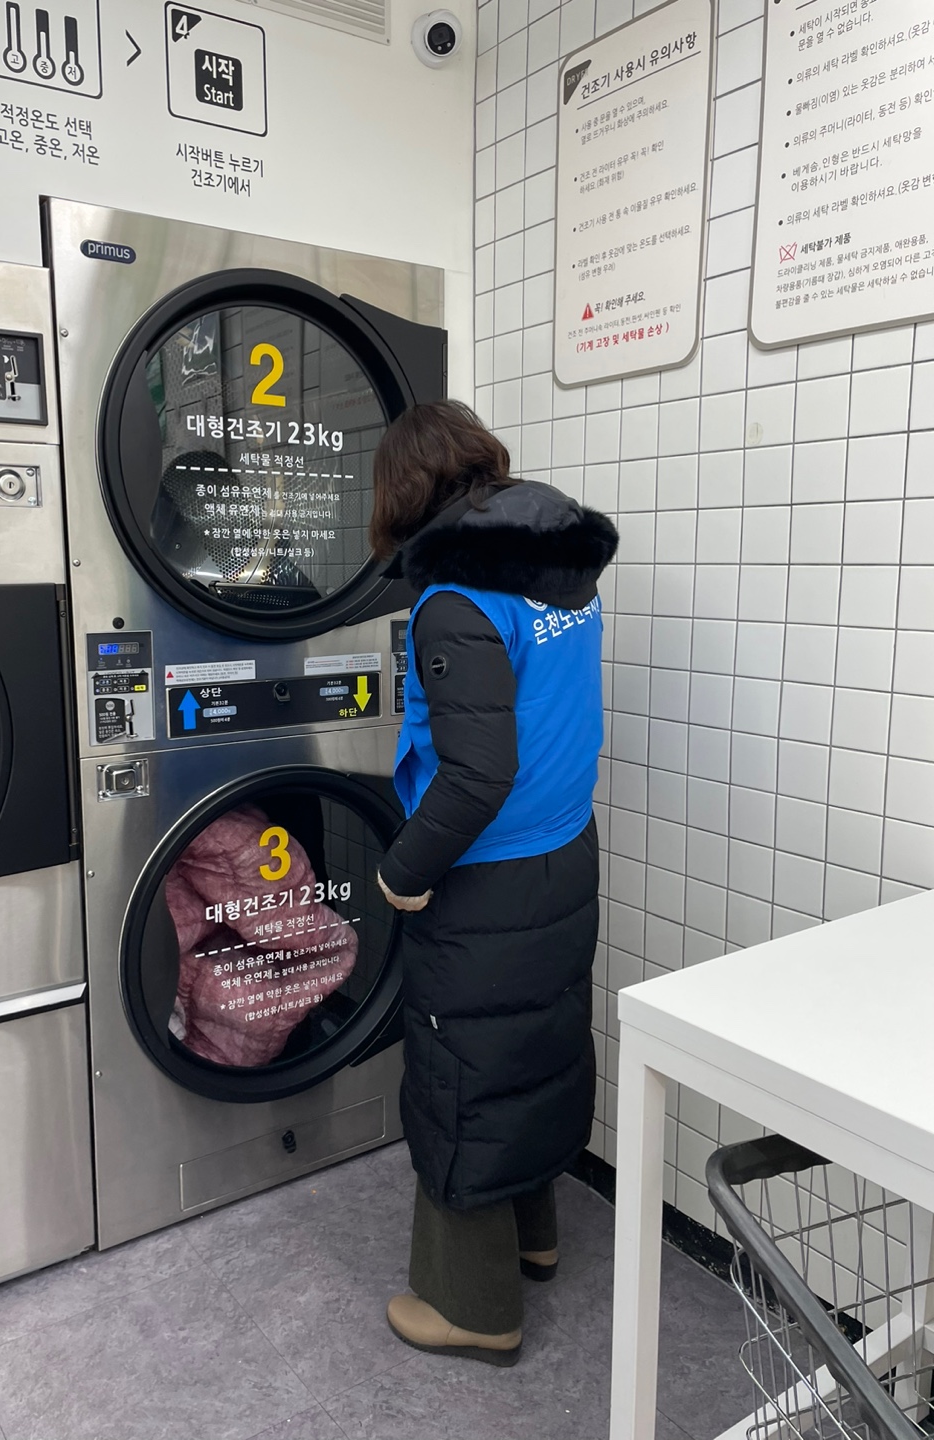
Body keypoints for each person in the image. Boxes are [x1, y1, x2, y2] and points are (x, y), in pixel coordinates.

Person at [371, 399, 619, 1367]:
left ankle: (471, 1306)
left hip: (484, 875)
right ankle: (535, 1238)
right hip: (565, 852)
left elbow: (476, 774)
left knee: (461, 1068)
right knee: (532, 1044)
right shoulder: (561, 577)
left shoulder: (454, 601)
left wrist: (402, 869)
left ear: (403, 492)